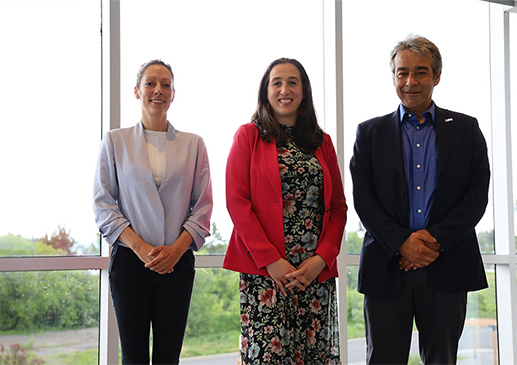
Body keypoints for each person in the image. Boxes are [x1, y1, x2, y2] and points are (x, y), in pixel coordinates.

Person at [350, 35, 491, 364]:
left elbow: (476, 195)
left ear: (437, 77)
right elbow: (364, 199)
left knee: (442, 359)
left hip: (448, 265)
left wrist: (432, 243)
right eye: (402, 73)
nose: (410, 81)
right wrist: (403, 243)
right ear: (394, 77)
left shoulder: (467, 129)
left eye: (421, 72)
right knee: (383, 358)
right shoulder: (369, 133)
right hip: (387, 266)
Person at [223, 58, 347, 364]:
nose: (284, 89)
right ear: (266, 91)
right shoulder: (248, 136)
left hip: (313, 275)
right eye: (276, 82)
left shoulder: (323, 143)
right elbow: (237, 202)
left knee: (313, 356)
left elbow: (338, 207)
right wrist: (271, 261)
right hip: (266, 274)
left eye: (293, 82)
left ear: (304, 91)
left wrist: (321, 259)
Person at [93, 59, 213, 364]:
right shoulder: (115, 141)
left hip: (177, 264)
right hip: (130, 264)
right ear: (137, 90)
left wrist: (175, 251)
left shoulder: (193, 144)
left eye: (166, 84)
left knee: (167, 358)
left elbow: (202, 206)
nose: (158, 90)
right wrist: (141, 248)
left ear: (174, 93)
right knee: (133, 357)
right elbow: (103, 202)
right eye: (150, 83)